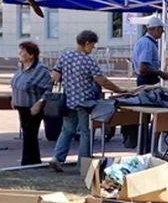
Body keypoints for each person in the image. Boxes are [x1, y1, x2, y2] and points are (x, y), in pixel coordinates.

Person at [49, 30, 119, 172]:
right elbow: (101, 80)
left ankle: (57, 157)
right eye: (92, 46)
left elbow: (55, 76)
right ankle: (83, 163)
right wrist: (119, 90)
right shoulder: (88, 60)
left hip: (68, 101)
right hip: (85, 102)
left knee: (67, 130)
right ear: (86, 43)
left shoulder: (65, 56)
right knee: (86, 132)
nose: (92, 49)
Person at [122, 15, 167, 149]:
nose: (162, 32)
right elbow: (144, 67)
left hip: (144, 80)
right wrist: (161, 73)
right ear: (156, 29)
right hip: (147, 81)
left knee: (145, 116)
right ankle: (147, 146)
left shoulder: (142, 42)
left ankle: (145, 146)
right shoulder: (148, 44)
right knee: (150, 113)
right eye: (161, 29)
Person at [9, 39, 53, 167]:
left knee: (30, 134)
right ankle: (32, 160)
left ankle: (28, 162)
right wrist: (13, 98)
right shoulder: (21, 67)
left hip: (33, 106)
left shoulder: (41, 69)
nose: (20, 53)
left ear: (31, 55)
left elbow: (49, 88)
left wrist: (40, 102)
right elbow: (15, 84)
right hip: (21, 106)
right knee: (27, 134)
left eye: (23, 51)